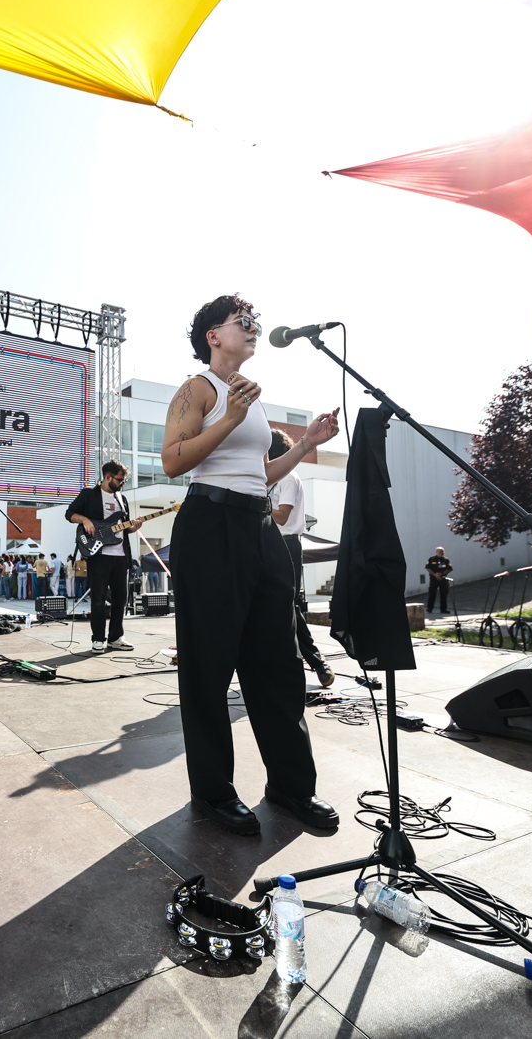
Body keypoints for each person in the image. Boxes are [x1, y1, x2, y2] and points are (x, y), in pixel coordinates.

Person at [162, 295, 340, 836]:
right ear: (213, 335)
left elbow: (259, 473)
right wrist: (230, 418)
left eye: (255, 323)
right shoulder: (199, 389)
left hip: (259, 528)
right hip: (209, 526)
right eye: (244, 322)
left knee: (278, 665)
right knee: (209, 668)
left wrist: (306, 444)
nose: (254, 329)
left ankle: (290, 786)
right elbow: (174, 461)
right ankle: (214, 793)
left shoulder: (250, 400)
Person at [269, 431, 334, 687]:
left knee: (288, 607)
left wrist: (254, 503)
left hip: (286, 546)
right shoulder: (269, 478)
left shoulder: (288, 477)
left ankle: (317, 662)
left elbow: (282, 516)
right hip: (268, 544)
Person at [66, 460, 142, 654]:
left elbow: (122, 529)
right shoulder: (89, 495)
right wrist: (85, 520)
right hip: (99, 555)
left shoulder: (121, 500)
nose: (122, 483)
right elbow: (70, 513)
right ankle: (98, 639)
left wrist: (132, 528)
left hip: (120, 556)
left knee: (121, 599)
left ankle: (115, 637)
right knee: (98, 599)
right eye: (120, 480)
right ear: (108, 477)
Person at [425, 546, 453, 613]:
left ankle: (443, 609)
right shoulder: (431, 559)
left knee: (444, 594)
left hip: (443, 579)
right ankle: (429, 608)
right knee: (432, 593)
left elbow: (449, 569)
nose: (441, 553)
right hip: (433, 579)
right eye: (439, 551)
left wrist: (441, 574)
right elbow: (428, 568)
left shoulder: (446, 560)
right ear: (436, 552)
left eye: (442, 551)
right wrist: (435, 575)